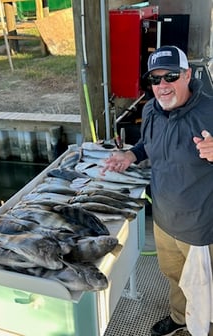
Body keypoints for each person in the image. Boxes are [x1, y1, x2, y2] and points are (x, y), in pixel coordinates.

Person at [103, 45, 213, 336]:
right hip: (164, 220)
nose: (162, 86)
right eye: (155, 79)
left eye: (171, 76)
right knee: (174, 276)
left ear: (188, 75)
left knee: (205, 289)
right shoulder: (151, 109)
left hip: (201, 227)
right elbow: (147, 146)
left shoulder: (210, 112)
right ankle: (180, 318)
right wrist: (130, 156)